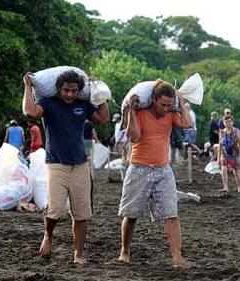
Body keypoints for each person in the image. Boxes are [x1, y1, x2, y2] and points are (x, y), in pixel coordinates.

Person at [22, 70, 109, 264]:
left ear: (79, 91)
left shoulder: (83, 105)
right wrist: (27, 87)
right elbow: (30, 112)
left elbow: (103, 118)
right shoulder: (48, 103)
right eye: (66, 90)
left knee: (81, 213)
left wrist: (99, 93)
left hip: (80, 164)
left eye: (74, 91)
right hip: (56, 164)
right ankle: (48, 235)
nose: (69, 95)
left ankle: (78, 254)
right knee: (56, 210)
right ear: (58, 89)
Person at [118, 82, 193, 268]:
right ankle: (124, 252)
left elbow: (188, 123)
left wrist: (181, 100)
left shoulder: (171, 115)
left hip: (163, 169)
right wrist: (132, 113)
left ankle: (177, 258)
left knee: (171, 214)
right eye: (163, 104)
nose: (166, 109)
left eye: (169, 105)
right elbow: (134, 137)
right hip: (138, 168)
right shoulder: (140, 113)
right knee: (131, 214)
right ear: (153, 100)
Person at [218, 115, 240, 194]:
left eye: (229, 121)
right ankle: (226, 187)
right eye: (226, 121)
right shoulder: (222, 132)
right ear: (223, 123)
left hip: (235, 152)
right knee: (223, 169)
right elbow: (220, 144)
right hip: (224, 153)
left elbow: (239, 142)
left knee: (236, 171)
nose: (228, 123)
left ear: (232, 122)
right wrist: (218, 157)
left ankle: (239, 187)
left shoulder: (236, 131)